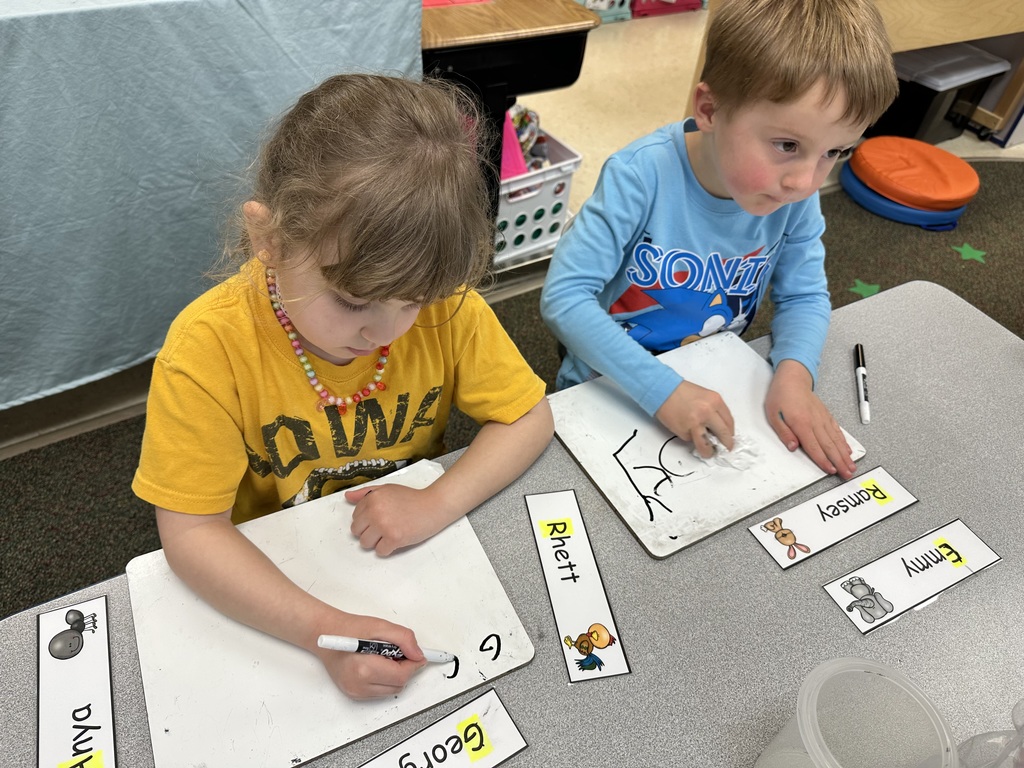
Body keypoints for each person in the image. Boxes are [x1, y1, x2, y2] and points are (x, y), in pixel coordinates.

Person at [132, 73, 554, 699]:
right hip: (271, 570)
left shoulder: (445, 305)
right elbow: (192, 535)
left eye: (411, 301)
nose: (383, 333)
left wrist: (438, 502)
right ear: (269, 240)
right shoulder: (206, 349)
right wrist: (323, 633)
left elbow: (529, 417)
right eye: (354, 302)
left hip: (400, 558)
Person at [540, 0, 897, 482]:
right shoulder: (640, 175)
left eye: (834, 152)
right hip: (612, 383)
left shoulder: (791, 194)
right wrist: (662, 391)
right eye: (787, 145)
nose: (805, 181)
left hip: (713, 383)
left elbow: (806, 294)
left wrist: (794, 374)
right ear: (709, 109)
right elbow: (564, 299)